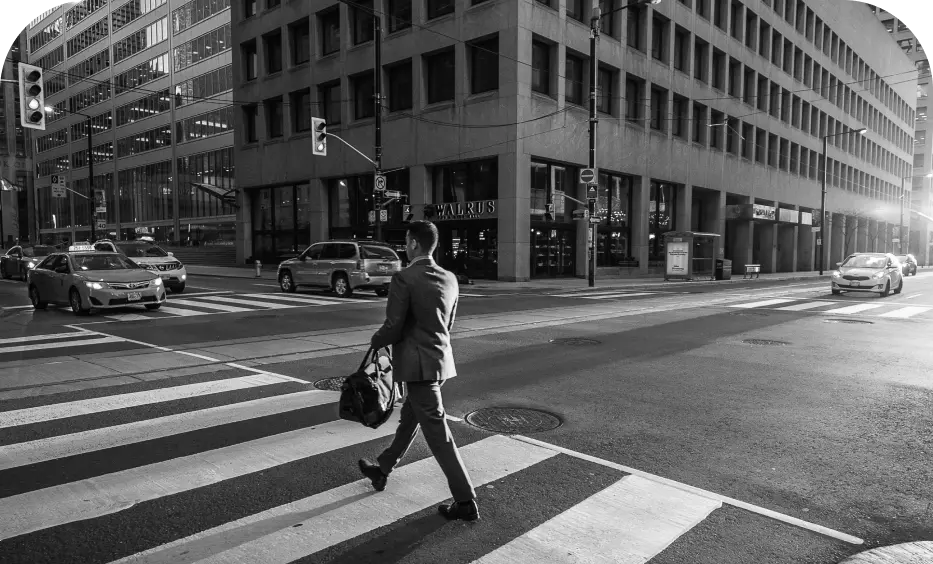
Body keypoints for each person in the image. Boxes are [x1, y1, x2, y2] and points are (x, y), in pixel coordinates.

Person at [357, 220, 478, 521]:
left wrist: (376, 341)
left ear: (413, 243)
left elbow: (393, 326)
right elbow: (447, 325)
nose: (406, 245)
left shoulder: (404, 278)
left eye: (407, 241)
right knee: (410, 419)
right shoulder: (450, 277)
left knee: (439, 435)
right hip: (439, 362)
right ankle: (382, 470)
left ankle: (465, 500)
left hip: (417, 366)